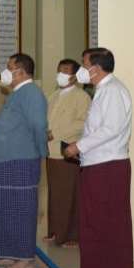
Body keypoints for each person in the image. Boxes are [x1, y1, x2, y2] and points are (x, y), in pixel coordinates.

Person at [64, 48, 133, 268]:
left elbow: (110, 129)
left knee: (107, 221)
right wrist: (82, 148)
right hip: (96, 163)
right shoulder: (103, 90)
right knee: (95, 220)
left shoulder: (113, 90)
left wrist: (78, 146)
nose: (82, 70)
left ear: (96, 67)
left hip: (108, 166)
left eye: (84, 65)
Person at [0, 53, 48, 268]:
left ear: (21, 71)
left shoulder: (32, 93)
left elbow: (39, 126)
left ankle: (24, 257)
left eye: (9, 67)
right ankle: (9, 251)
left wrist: (41, 152)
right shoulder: (17, 93)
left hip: (19, 161)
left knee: (21, 210)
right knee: (2, 208)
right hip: (0, 161)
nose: (4, 72)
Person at [44, 59, 91, 248]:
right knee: (54, 194)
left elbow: (83, 122)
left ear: (74, 76)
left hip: (68, 151)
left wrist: (56, 132)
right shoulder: (53, 95)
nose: (60, 74)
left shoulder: (82, 97)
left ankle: (71, 235)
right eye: (59, 70)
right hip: (50, 151)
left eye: (65, 71)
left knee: (69, 194)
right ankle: (55, 231)